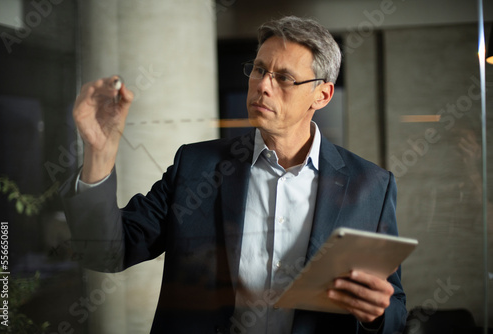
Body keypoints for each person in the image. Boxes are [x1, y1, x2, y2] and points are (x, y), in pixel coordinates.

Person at [60, 16, 407, 334]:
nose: (263, 86)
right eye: (258, 70)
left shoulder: (371, 187)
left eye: (283, 77)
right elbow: (105, 253)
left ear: (322, 94)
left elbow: (395, 312)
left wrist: (376, 314)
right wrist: (99, 153)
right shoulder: (195, 166)